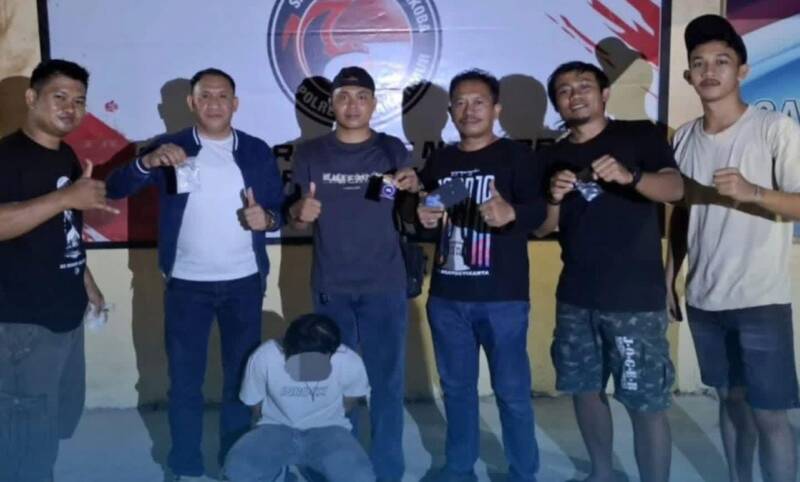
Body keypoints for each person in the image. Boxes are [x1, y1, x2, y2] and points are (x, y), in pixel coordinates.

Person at [106, 68, 284, 481]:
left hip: (244, 283)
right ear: (191, 103)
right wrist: (146, 161)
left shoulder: (256, 150)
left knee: (240, 379)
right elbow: (115, 188)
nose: (214, 104)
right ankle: (184, 464)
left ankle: (234, 461)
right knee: (185, 381)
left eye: (222, 96)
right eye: (205, 96)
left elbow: (277, 209)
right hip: (186, 285)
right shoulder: (170, 147)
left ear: (235, 104)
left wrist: (268, 218)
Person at [534, 61, 683, 482]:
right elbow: (544, 227)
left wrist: (630, 176)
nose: (574, 94)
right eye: (564, 90)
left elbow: (675, 189)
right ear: (557, 104)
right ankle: (601, 473)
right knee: (584, 391)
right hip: (576, 297)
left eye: (584, 85)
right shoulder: (550, 155)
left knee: (645, 402)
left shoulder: (639, 135)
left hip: (634, 300)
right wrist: (553, 197)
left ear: (604, 94)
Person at [667, 14, 800, 482]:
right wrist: (670, 275)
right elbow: (683, 212)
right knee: (728, 401)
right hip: (704, 298)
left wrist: (754, 192)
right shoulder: (683, 138)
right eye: (699, 62)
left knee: (770, 415)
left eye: (721, 61)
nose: (709, 70)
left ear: (742, 71)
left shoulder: (774, 129)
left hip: (760, 299)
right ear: (688, 75)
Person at [287, 66, 419, 482]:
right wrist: (299, 214)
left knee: (386, 383)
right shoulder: (310, 153)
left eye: (361, 97)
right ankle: (337, 468)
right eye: (343, 96)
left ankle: (387, 470)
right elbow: (297, 221)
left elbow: (411, 209)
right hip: (332, 286)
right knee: (328, 385)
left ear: (374, 104)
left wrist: (414, 187)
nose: (352, 105)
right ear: (331, 104)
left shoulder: (391, 149)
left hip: (385, 284)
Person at [416, 69, 546, 482]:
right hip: (447, 297)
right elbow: (430, 210)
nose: (468, 110)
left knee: (512, 394)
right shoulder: (443, 160)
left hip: (503, 297)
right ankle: (459, 468)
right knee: (456, 391)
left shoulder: (516, 157)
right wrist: (423, 216)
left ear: (496, 109)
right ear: (450, 110)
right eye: (460, 102)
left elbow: (540, 213)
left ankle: (523, 473)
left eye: (478, 102)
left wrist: (512, 213)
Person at [0, 59, 115, 482]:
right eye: (59, 97)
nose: (70, 107)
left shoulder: (64, 155)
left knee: (50, 425)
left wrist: (88, 282)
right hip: (21, 323)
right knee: (23, 438)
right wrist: (66, 198)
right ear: (32, 98)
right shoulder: (7, 157)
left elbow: (63, 230)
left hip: (64, 316)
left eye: (79, 100)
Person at [224, 313, 374, 482]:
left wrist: (321, 418)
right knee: (237, 470)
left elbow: (349, 402)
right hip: (274, 428)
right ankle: (279, 472)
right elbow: (254, 405)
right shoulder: (265, 355)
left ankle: (311, 471)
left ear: (332, 351)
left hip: (329, 430)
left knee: (361, 476)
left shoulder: (349, 360)